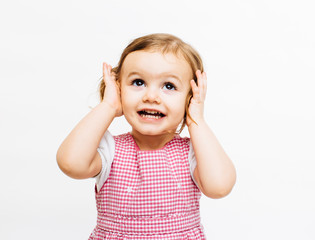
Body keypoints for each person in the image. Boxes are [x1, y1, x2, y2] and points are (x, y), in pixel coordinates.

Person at [57, 33, 236, 239]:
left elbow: (220, 187)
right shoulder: (110, 149)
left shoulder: (194, 153)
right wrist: (108, 106)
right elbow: (71, 163)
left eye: (169, 86)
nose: (151, 97)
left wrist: (197, 121)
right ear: (118, 89)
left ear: (190, 99)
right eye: (138, 82)